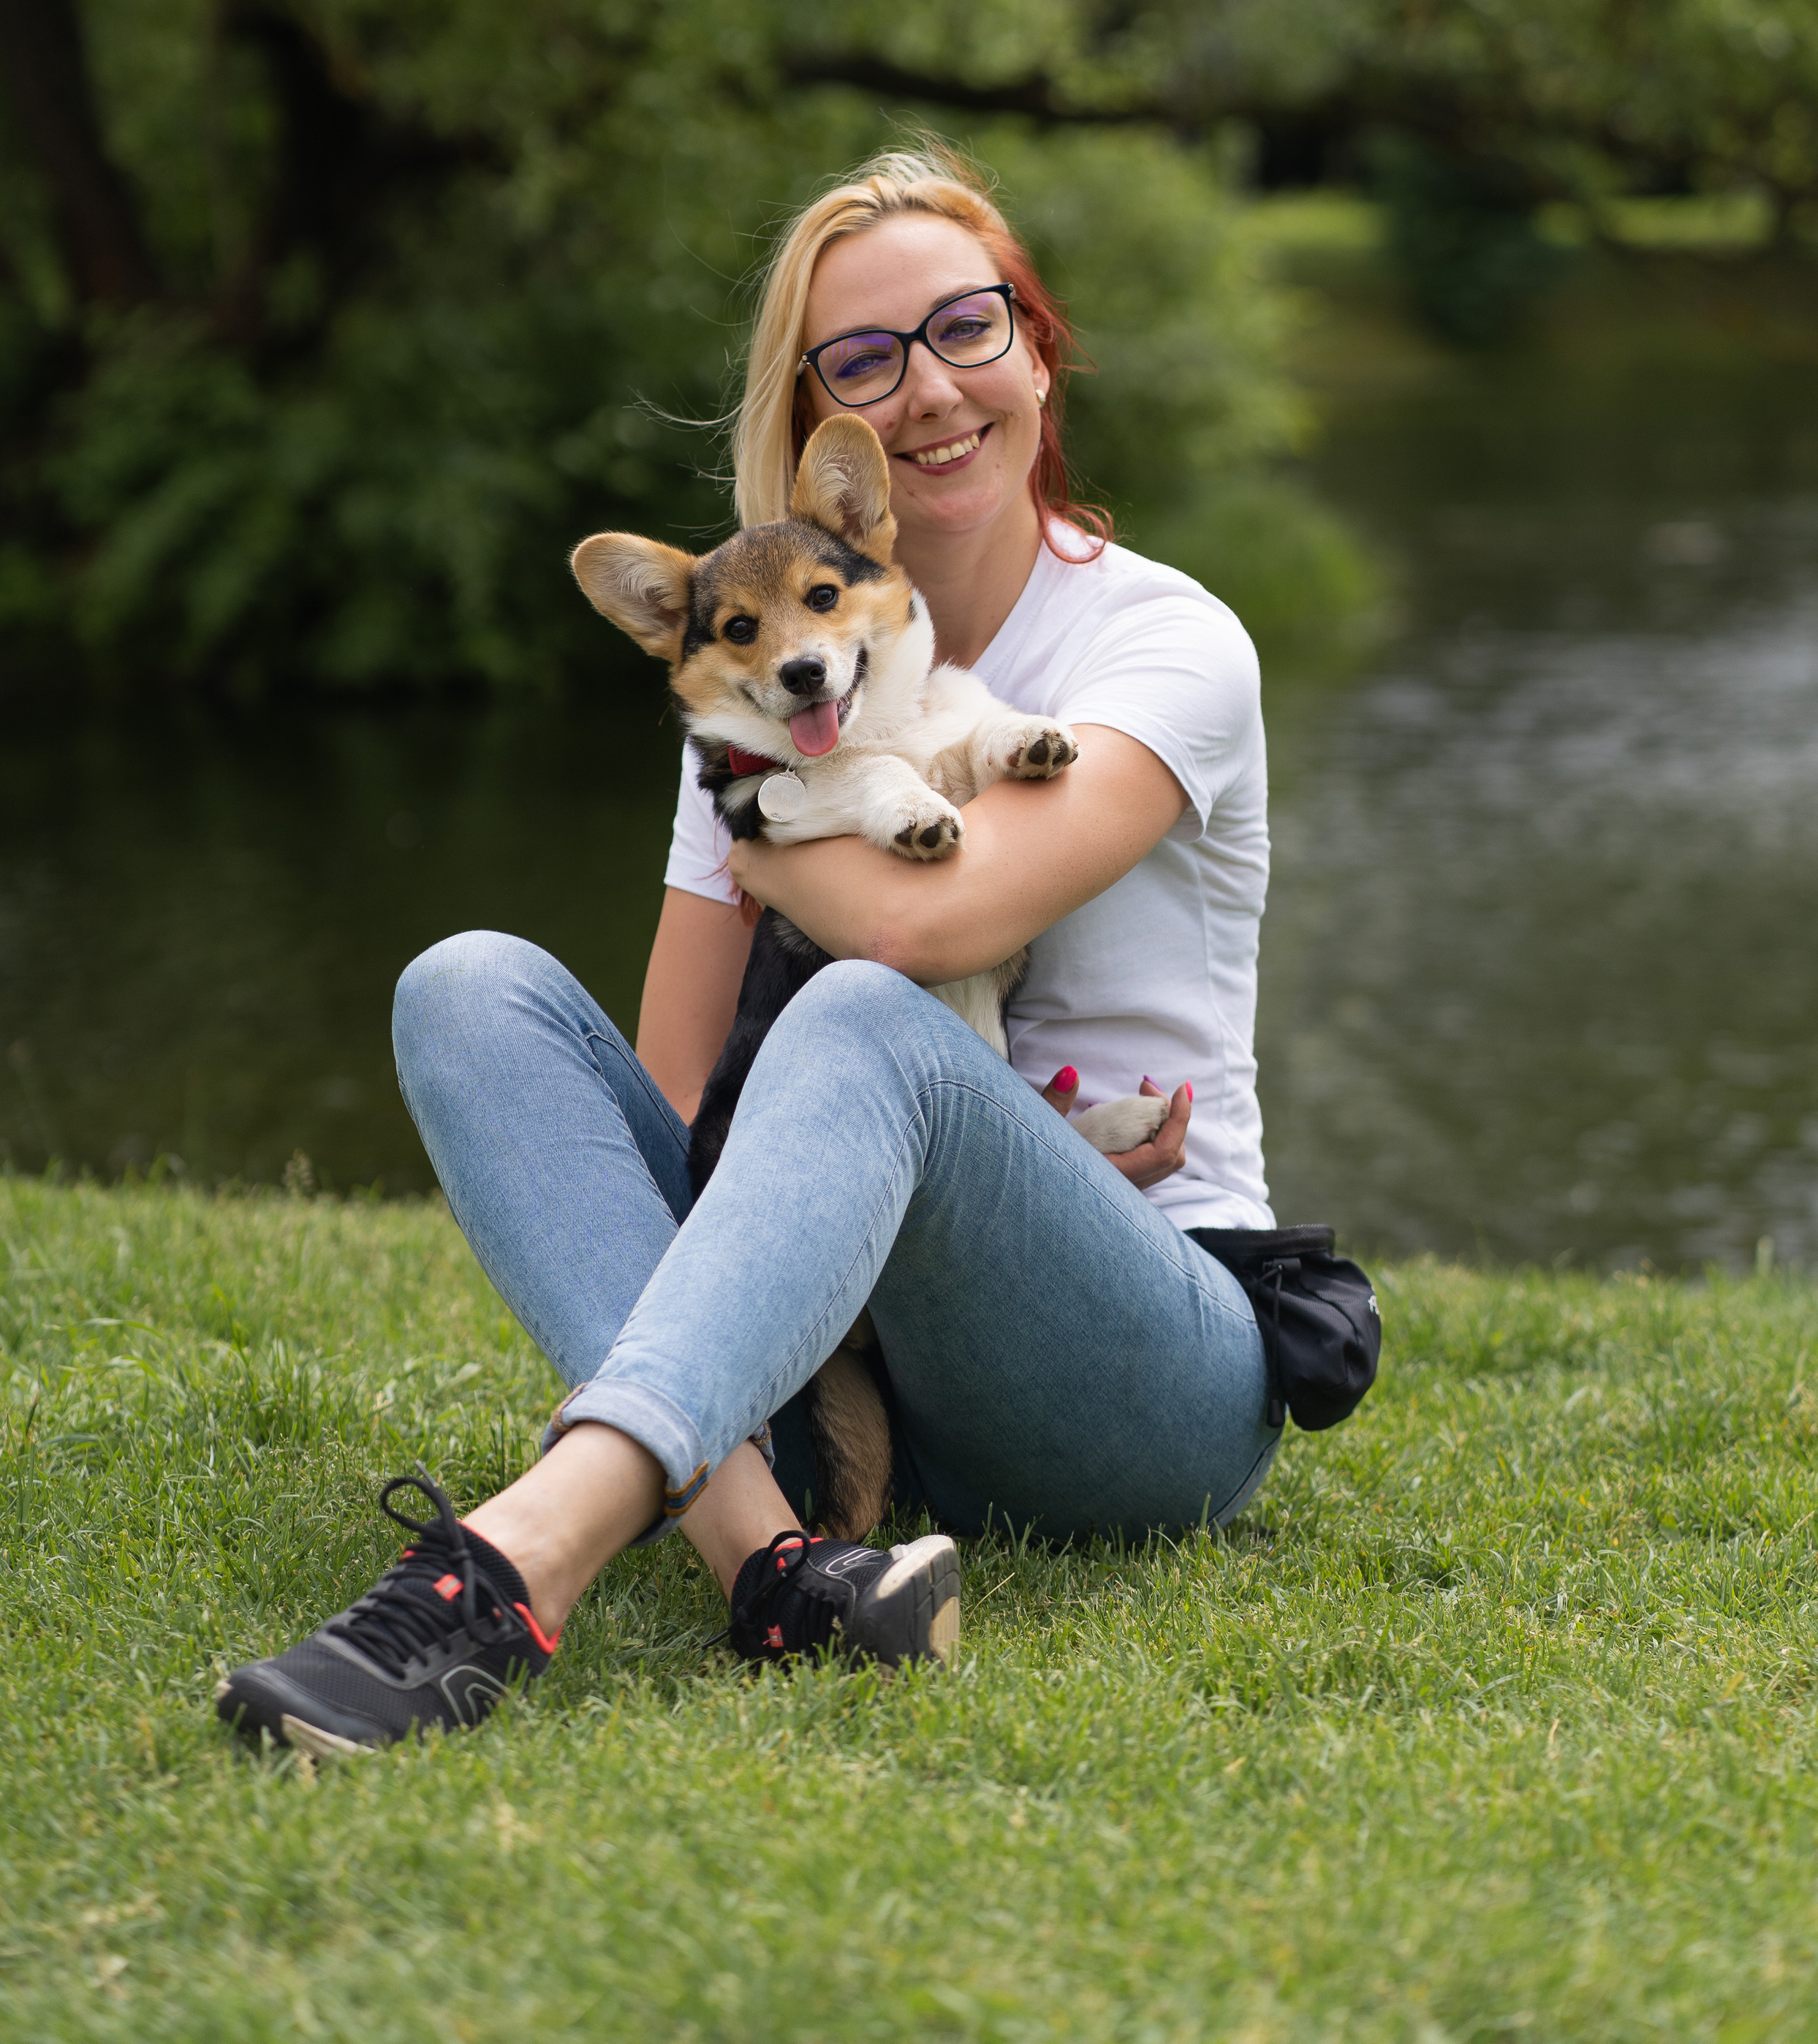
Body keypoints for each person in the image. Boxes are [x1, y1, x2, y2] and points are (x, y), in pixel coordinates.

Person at [217, 140, 1281, 1758]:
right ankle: (776, 1562)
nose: (924, 390)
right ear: (810, 419)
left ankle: (514, 1561)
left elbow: (938, 921)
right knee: (467, 985)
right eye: (861, 356)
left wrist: (769, 829)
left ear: (1039, 352)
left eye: (966, 329)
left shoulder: (1163, 643)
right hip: (842, 1382)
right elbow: (667, 1091)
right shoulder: (755, 687)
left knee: (856, 1004)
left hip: (1141, 1369)